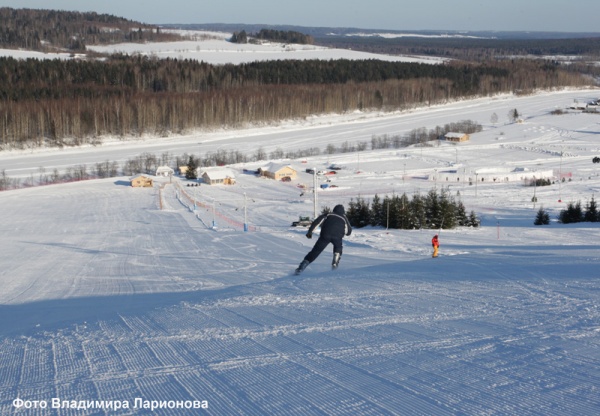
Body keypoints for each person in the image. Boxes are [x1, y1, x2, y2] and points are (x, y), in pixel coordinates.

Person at [295, 204, 352, 274]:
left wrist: (310, 232)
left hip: (325, 235)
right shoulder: (344, 218)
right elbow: (348, 232)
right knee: (338, 247)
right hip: (337, 237)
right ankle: (335, 262)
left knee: (315, 251)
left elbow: (317, 222)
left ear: (334, 209)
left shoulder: (328, 214)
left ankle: (302, 267)